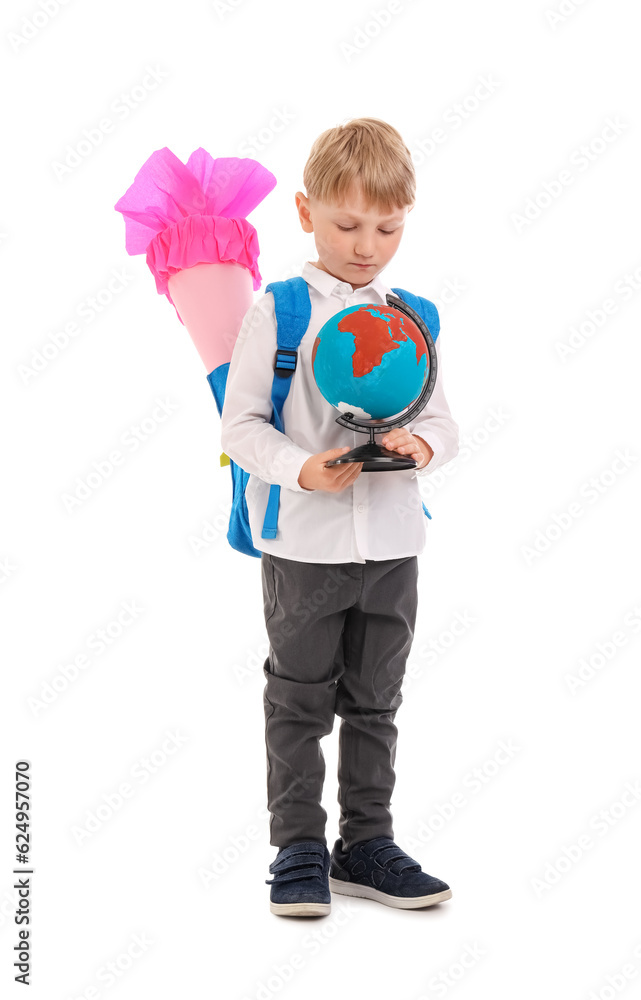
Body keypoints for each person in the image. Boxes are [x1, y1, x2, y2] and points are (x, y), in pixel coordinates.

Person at [220, 117, 460, 917]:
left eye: (388, 228)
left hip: (392, 543)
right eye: (348, 224)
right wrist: (301, 468)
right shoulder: (280, 312)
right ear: (305, 212)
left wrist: (421, 447)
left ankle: (366, 844)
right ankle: (297, 847)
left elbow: (444, 424)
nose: (367, 246)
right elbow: (240, 427)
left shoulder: (411, 318)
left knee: (376, 700)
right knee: (298, 699)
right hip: (304, 545)